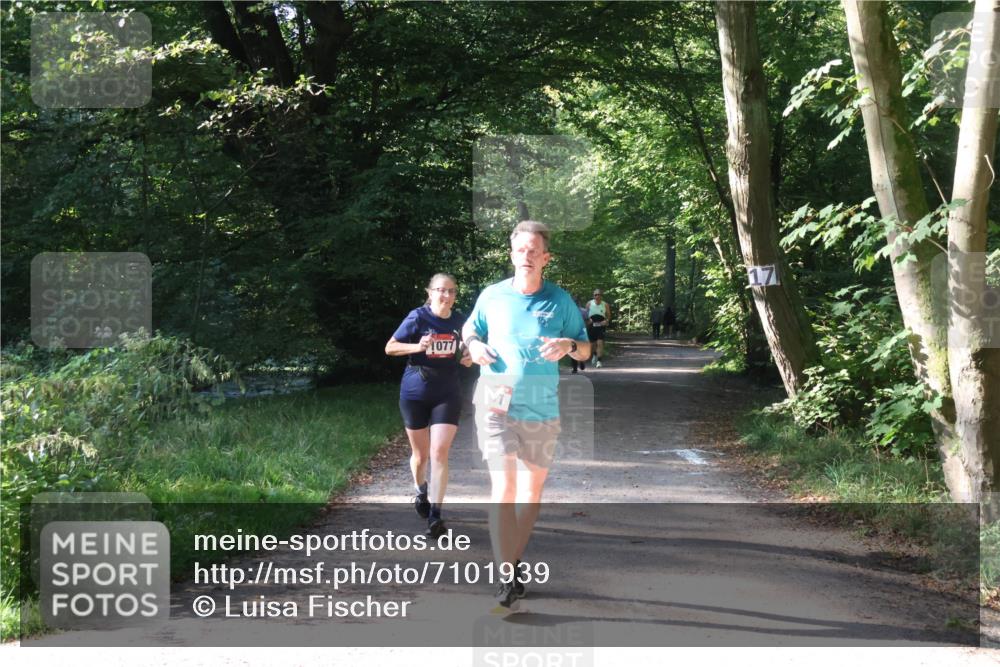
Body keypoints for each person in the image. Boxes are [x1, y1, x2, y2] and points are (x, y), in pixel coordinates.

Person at [462, 220, 591, 611]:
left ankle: (512, 563)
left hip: (541, 406)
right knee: (504, 487)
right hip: (496, 402)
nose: (527, 256)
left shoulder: (560, 300)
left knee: (530, 493)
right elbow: (471, 328)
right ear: (512, 254)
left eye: (535, 251)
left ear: (545, 258)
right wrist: (473, 345)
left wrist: (569, 344)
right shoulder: (492, 296)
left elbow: (585, 351)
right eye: (521, 250)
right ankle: (506, 578)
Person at [385, 273, 472, 538]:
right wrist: (417, 346)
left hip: (447, 392)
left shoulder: (460, 322)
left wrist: (468, 357)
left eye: (452, 291)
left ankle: (436, 515)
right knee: (420, 456)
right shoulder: (418, 317)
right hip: (415, 391)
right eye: (441, 290)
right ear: (430, 292)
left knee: (439, 453)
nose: (446, 296)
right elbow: (390, 347)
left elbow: (468, 352)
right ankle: (421, 491)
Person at [585, 289, 611, 367]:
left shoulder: (605, 304)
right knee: (592, 344)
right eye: (595, 295)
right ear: (593, 296)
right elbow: (585, 314)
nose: (597, 296)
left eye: (599, 294)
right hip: (591, 325)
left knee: (600, 343)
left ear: (601, 296)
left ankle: (599, 361)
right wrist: (588, 320)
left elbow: (609, 315)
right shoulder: (589, 303)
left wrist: (606, 321)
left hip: (601, 325)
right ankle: (594, 354)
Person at [571, 298, 589, 374]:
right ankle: (581, 361)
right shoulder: (584, 311)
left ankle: (575, 368)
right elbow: (588, 320)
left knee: (573, 349)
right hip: (582, 331)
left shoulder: (569, 311)